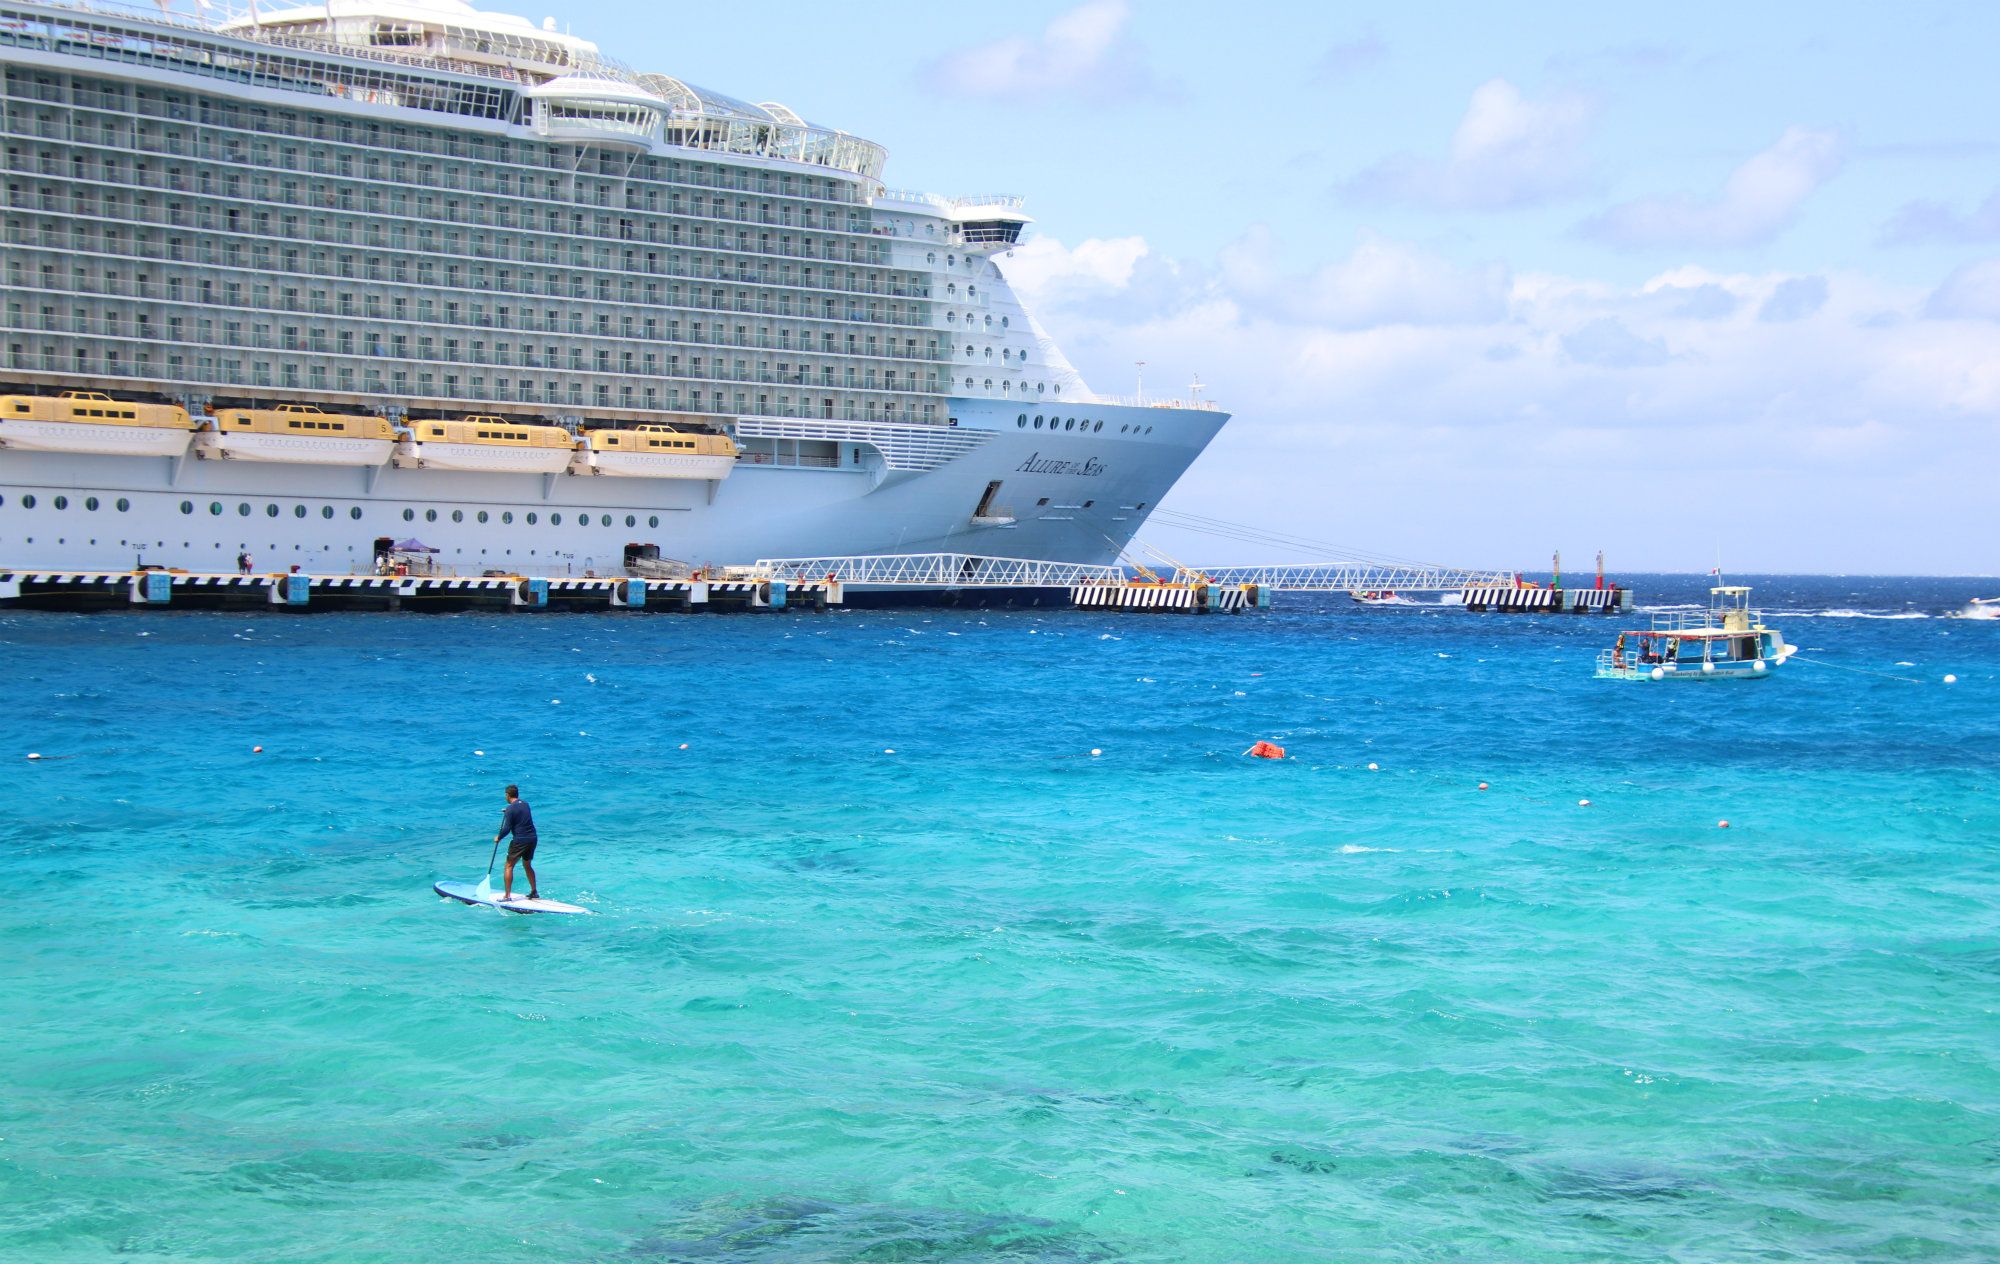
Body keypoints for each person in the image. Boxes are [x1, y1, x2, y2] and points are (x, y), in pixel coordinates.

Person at [495, 783, 540, 902]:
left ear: (507, 795)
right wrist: (508, 812)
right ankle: (534, 892)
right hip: (532, 838)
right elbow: (519, 812)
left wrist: (498, 838)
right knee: (527, 865)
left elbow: (506, 829)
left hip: (520, 840)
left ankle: (507, 896)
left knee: (508, 866)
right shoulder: (525, 804)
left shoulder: (510, 809)